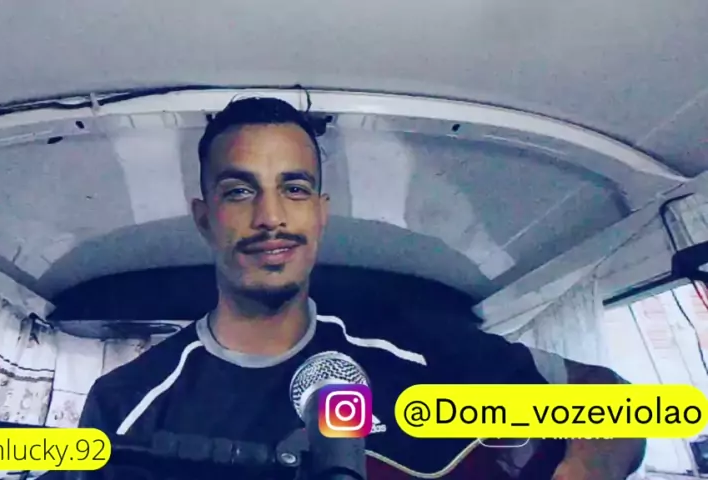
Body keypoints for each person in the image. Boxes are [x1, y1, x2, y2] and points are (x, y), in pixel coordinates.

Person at [77, 97, 645, 479]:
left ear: (321, 213)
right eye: (239, 191)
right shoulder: (126, 406)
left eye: (294, 189)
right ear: (205, 218)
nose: (270, 216)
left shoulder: (425, 349)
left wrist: (582, 470)